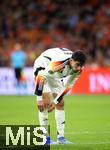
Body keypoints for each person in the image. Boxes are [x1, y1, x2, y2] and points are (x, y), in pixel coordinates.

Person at [33, 47, 86, 144]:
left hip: (56, 73)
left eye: (81, 65)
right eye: (77, 65)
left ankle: (61, 138)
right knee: (45, 103)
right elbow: (41, 77)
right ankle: (45, 138)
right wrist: (39, 99)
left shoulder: (79, 69)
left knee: (60, 103)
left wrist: (55, 101)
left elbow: (68, 86)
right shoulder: (58, 63)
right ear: (71, 60)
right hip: (43, 66)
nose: (79, 68)